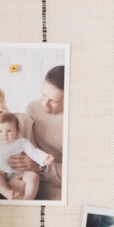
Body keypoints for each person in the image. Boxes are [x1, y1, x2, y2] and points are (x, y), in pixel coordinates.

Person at [0, 110, 54, 201]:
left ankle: (28, 197)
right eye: (0, 131)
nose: (4, 134)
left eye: (9, 131)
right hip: (2, 171)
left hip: (21, 173)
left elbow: (34, 152)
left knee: (33, 176)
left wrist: (44, 158)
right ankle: (5, 191)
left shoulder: (22, 142)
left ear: (17, 131)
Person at [22, 65, 66, 199]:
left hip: (61, 190)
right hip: (33, 184)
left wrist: (43, 168)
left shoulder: (77, 121)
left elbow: (79, 172)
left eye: (53, 101)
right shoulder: (32, 108)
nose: (45, 105)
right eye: (43, 95)